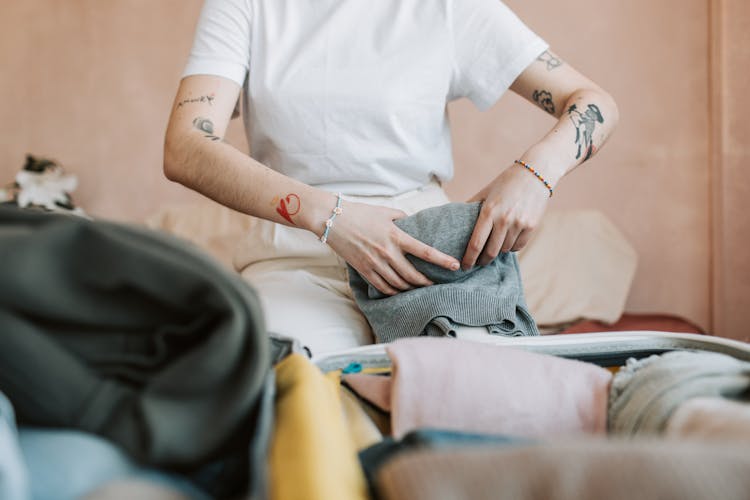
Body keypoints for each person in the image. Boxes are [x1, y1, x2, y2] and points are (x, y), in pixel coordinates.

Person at [164, 0, 618, 354]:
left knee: (480, 391)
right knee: (293, 395)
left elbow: (593, 102)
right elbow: (187, 145)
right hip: (296, 263)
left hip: (430, 265)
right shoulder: (246, 6)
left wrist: (534, 174)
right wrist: (334, 218)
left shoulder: (448, 8)